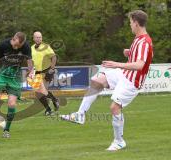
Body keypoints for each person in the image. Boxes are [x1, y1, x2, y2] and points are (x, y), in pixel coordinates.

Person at [61, 10, 153, 151]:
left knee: (114, 108)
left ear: (136, 23)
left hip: (132, 82)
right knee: (97, 81)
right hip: (124, 74)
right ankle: (80, 115)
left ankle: (119, 141)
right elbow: (143, 57)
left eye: (130, 22)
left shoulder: (144, 42)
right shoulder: (139, 39)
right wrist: (130, 52)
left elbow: (140, 65)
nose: (130, 25)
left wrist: (117, 64)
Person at [0, 32, 34, 138]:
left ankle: (6, 130)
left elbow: (29, 60)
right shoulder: (3, 45)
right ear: (13, 39)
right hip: (2, 75)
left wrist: (30, 71)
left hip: (15, 77)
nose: (17, 48)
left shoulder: (26, 46)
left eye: (19, 46)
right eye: (16, 45)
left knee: (11, 104)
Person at [31, 31, 59, 115]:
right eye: (37, 37)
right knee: (38, 93)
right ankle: (49, 107)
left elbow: (54, 57)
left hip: (47, 71)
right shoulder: (31, 48)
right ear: (33, 38)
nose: (39, 39)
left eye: (40, 37)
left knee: (43, 91)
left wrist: (52, 68)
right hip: (37, 72)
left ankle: (50, 107)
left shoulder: (46, 47)